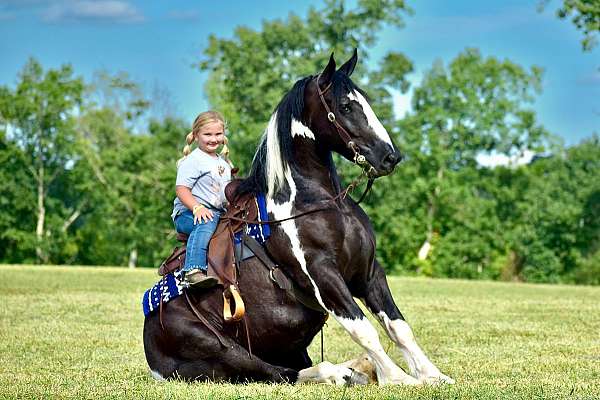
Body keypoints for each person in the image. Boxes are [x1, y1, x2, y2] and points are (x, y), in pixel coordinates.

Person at [171, 111, 233, 288]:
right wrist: (197, 208)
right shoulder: (194, 160)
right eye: (208, 134)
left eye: (218, 134)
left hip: (216, 213)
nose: (213, 139)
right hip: (187, 213)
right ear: (196, 135)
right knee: (207, 221)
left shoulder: (223, 162)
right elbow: (182, 189)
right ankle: (193, 270)